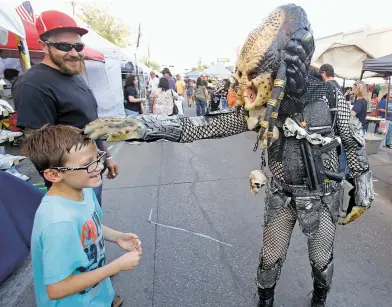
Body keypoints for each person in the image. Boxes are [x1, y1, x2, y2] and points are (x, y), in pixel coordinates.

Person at [84, 5, 373, 307]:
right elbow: (203, 126)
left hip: (323, 194)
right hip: (282, 194)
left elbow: (353, 141)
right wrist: (138, 126)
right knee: (269, 259)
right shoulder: (259, 108)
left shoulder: (328, 94)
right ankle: (265, 301)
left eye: (253, 76)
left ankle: (319, 298)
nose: (245, 87)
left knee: (321, 259)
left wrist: (363, 187)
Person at [22, 125, 142, 307]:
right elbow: (57, 288)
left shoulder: (83, 190)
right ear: (53, 174)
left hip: (96, 296)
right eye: (88, 164)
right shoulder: (59, 222)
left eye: (98, 158)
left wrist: (117, 237)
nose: (99, 167)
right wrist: (115, 267)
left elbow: (90, 223)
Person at [13, 10, 119, 206]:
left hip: (92, 173)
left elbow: (90, 125)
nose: (74, 53)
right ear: (43, 46)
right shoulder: (32, 84)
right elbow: (38, 147)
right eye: (63, 46)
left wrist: (106, 157)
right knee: (78, 233)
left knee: (93, 229)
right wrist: (69, 190)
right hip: (71, 187)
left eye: (78, 46)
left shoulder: (74, 77)